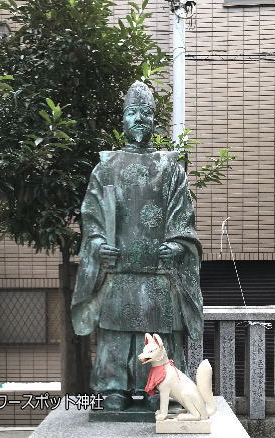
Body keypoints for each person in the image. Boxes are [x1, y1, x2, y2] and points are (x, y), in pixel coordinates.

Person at [71, 81, 203, 411]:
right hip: (119, 272)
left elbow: (182, 215)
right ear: (123, 121)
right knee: (115, 331)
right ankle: (114, 387)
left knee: (157, 331)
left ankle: (154, 389)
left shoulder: (170, 167)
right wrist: (99, 244)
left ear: (155, 121)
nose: (139, 119)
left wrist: (177, 244)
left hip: (158, 273)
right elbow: (92, 214)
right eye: (132, 112)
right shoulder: (106, 167)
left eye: (146, 113)